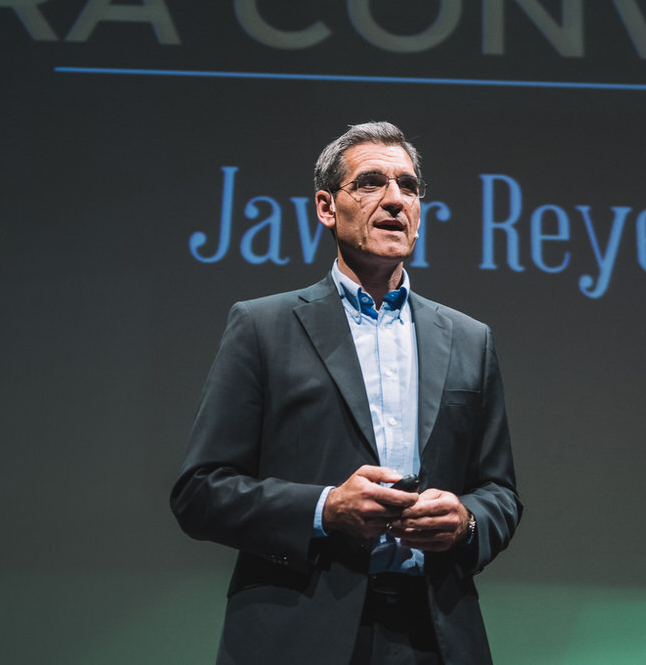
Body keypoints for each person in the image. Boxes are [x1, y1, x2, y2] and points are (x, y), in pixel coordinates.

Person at [172, 121, 521, 665]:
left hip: (434, 635)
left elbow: (498, 491)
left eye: (408, 186)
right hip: (299, 633)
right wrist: (324, 508)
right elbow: (201, 491)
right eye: (371, 183)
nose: (395, 200)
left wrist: (466, 520)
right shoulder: (263, 327)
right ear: (326, 207)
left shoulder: (470, 339)